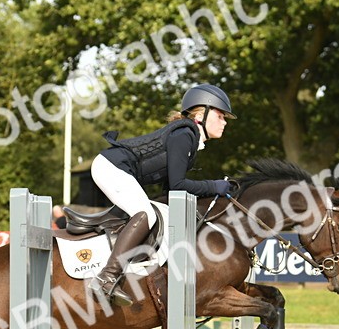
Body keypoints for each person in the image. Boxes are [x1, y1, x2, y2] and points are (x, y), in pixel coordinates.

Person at [84, 84, 235, 306]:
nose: (224, 123)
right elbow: (177, 185)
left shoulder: (190, 138)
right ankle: (107, 277)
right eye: (221, 116)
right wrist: (214, 186)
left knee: (153, 211)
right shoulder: (185, 135)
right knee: (145, 213)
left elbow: (169, 191)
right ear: (201, 114)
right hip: (111, 167)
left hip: (118, 168)